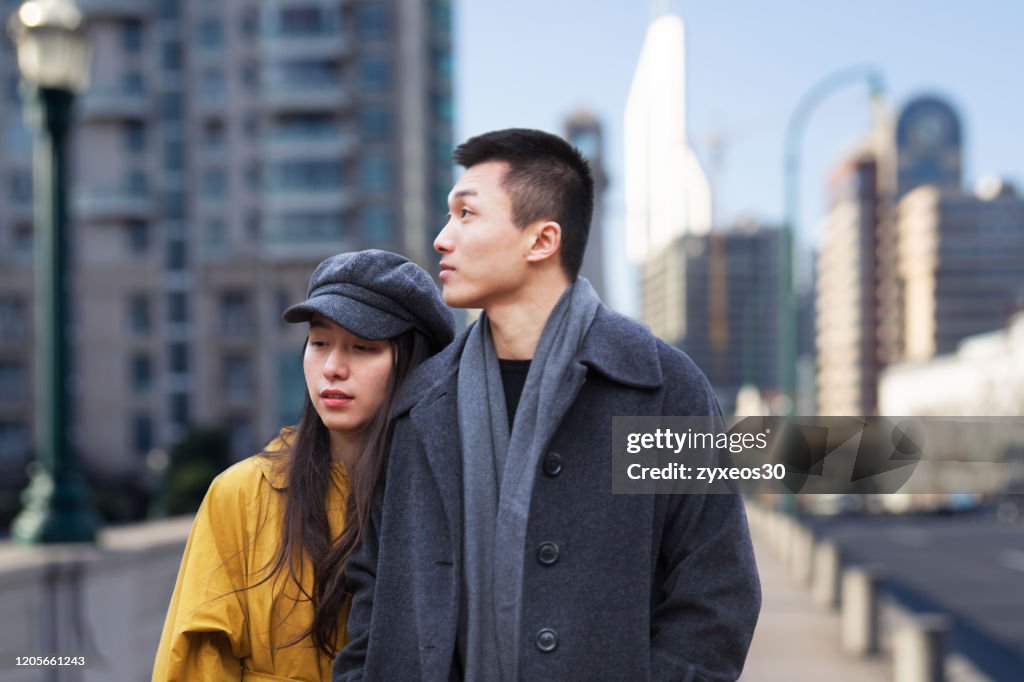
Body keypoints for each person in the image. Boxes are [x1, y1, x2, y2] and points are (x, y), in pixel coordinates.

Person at [335, 129, 762, 681]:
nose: (442, 239)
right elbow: (376, 585)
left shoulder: (657, 390)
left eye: (467, 215)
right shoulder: (422, 402)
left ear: (541, 241)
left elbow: (718, 592)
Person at [152, 250, 454, 681]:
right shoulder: (241, 494)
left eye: (363, 347)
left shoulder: (445, 494)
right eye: (320, 343)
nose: (332, 368)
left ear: (416, 366)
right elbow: (196, 661)